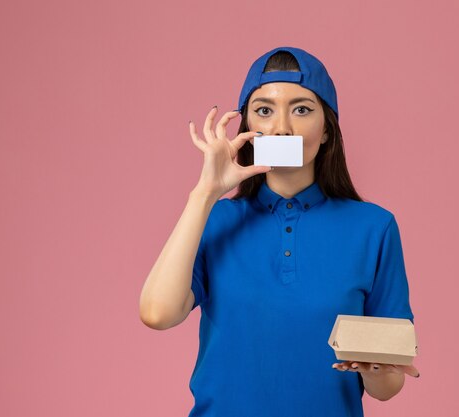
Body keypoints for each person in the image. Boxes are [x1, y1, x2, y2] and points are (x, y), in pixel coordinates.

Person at [139, 46, 419, 417]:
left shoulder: (374, 227)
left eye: (301, 109)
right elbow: (158, 314)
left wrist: (377, 369)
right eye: (264, 111)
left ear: (326, 132)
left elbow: (387, 388)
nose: (282, 126)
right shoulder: (215, 218)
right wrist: (205, 193)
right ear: (248, 131)